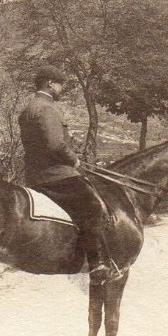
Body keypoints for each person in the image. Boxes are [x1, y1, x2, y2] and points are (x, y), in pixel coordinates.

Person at [18, 66, 117, 284]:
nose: (61, 89)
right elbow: (55, 145)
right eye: (60, 84)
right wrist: (75, 160)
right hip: (55, 175)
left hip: (34, 175)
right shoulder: (47, 108)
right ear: (50, 84)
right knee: (92, 205)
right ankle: (98, 262)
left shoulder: (27, 110)